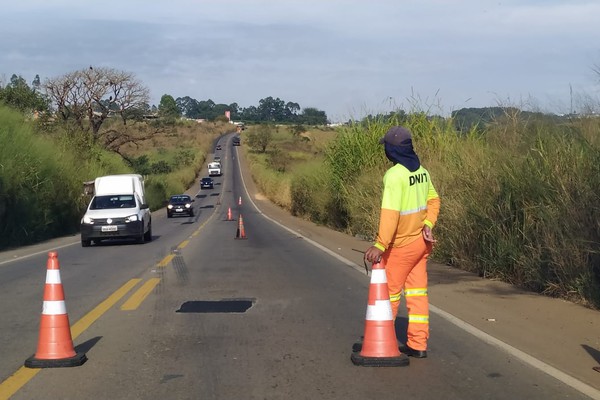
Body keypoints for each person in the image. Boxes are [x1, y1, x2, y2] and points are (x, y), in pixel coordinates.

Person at [364, 126, 440, 358]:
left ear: (391, 150)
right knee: (417, 295)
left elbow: (390, 214)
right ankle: (418, 344)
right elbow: (434, 201)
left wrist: (380, 244)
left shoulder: (394, 176)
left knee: (389, 295)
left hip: (401, 247)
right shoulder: (422, 172)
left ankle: (382, 342)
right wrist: (428, 225)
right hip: (420, 244)